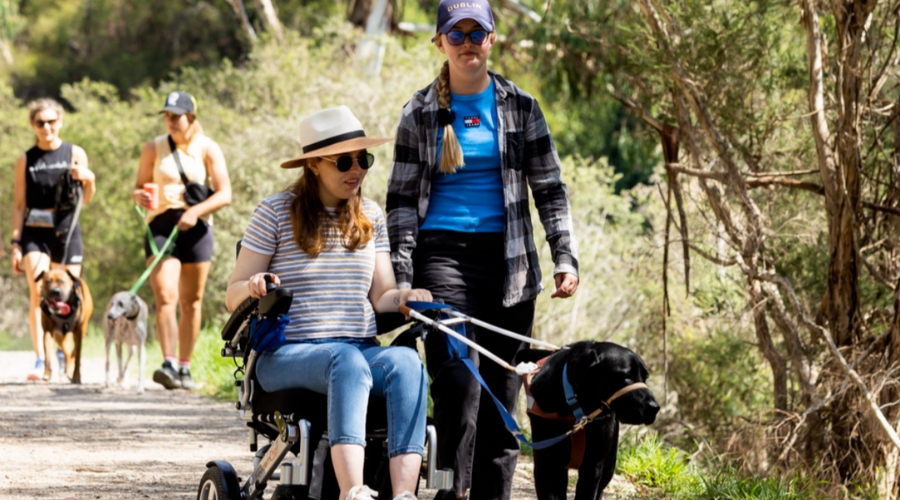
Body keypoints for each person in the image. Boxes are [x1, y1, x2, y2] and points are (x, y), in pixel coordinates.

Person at [386, 1, 580, 499]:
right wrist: (403, 278)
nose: (468, 43)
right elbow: (402, 202)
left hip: (510, 264)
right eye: (457, 35)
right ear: (440, 42)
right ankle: (451, 492)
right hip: (442, 260)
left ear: (493, 39)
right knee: (458, 387)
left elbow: (550, 190)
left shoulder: (521, 107)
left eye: (478, 33)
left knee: (501, 397)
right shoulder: (420, 112)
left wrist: (564, 256)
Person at [226, 106, 430, 500]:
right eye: (343, 161)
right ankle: (352, 491)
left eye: (363, 159)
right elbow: (232, 293)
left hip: (356, 348)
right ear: (314, 165)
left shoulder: (370, 214)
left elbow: (382, 296)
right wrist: (253, 285)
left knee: (407, 363)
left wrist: (406, 297)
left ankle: (404, 494)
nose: (356, 169)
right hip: (285, 354)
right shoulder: (274, 212)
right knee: (346, 360)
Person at [132, 90, 232, 390]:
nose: (170, 121)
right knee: (165, 295)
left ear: (191, 117)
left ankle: (186, 367)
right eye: (166, 115)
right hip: (161, 225)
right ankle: (169, 363)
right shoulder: (153, 148)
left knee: (192, 301)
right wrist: (139, 195)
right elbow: (138, 188)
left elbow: (225, 193)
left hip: (197, 225)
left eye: (176, 116)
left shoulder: (207, 148)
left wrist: (196, 212)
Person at [12, 98, 96, 381]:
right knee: (40, 292)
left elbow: (88, 198)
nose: (46, 127)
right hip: (35, 230)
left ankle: (65, 349)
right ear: (33, 125)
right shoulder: (27, 159)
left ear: (60, 122)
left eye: (51, 121)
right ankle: (41, 359)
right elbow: (19, 204)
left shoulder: (75, 153)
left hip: (68, 228)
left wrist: (89, 178)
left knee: (71, 292)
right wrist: (15, 243)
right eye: (40, 123)